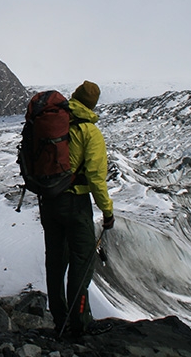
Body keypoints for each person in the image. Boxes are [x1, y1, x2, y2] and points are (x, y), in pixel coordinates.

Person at [39, 80, 114, 337]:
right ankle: (79, 324)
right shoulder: (89, 131)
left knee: (55, 263)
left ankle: (60, 321)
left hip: (48, 202)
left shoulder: (54, 122)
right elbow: (95, 175)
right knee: (81, 264)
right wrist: (107, 211)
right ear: (93, 104)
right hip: (75, 204)